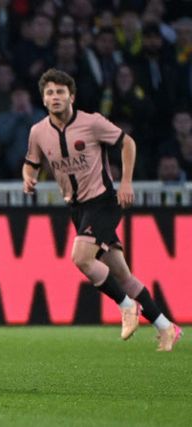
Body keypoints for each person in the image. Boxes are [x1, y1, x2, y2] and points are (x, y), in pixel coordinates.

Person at [23, 68, 182, 351]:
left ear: (71, 97)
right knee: (123, 275)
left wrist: (126, 183)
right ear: (44, 99)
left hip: (102, 201)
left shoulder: (92, 122)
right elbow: (31, 162)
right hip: (76, 208)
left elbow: (127, 143)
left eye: (60, 92)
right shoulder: (38, 132)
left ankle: (126, 307)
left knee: (81, 258)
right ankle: (165, 327)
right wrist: (28, 177)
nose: (55, 97)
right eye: (50, 93)